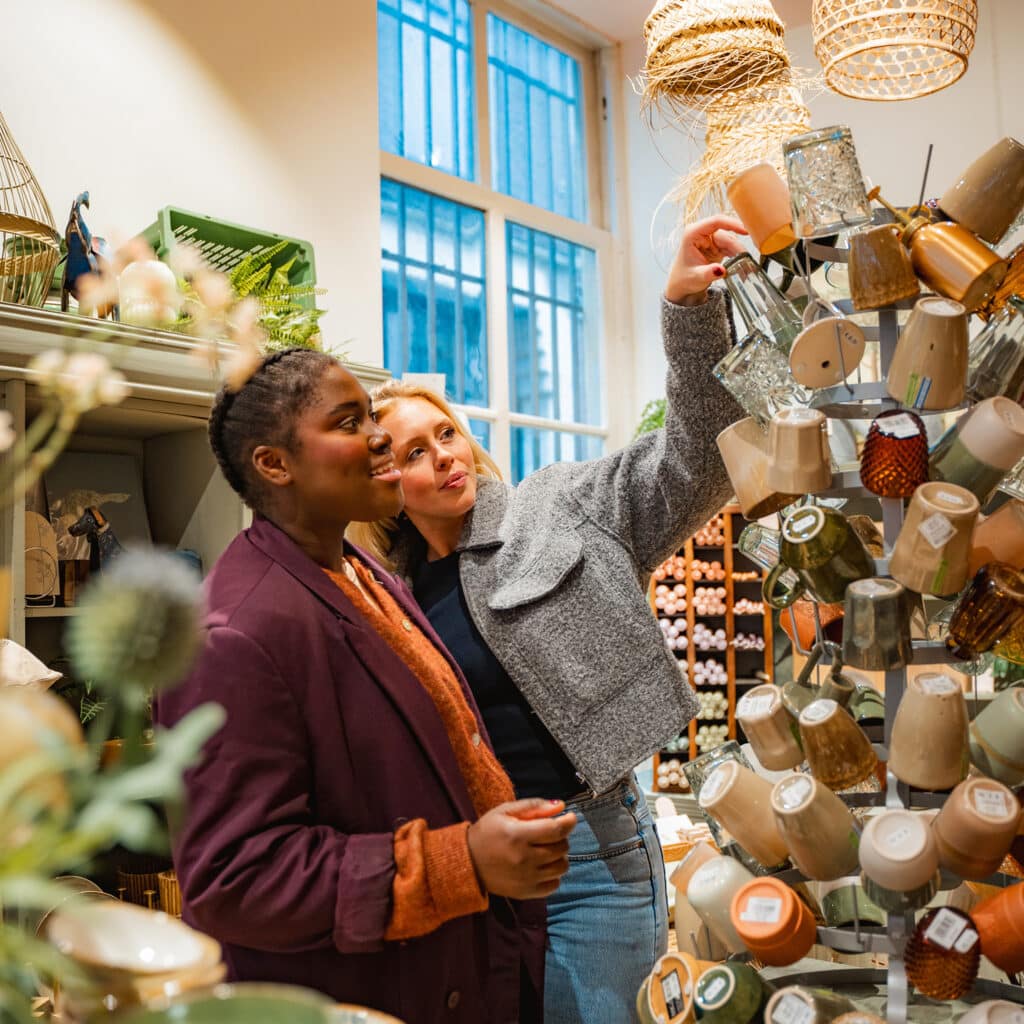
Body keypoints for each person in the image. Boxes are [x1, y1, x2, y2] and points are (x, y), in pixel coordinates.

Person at [349, 214, 748, 1023]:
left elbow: (701, 458)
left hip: (593, 856)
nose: (446, 457)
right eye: (415, 452)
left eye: (448, 434)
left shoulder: (562, 506)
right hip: (471, 867)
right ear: (385, 482)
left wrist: (687, 309)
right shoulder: (385, 595)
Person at [154, 349, 577, 1023]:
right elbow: (234, 879)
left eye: (371, 415)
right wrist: (459, 861)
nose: (380, 435)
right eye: (351, 421)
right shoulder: (231, 636)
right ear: (275, 464)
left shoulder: (360, 572)